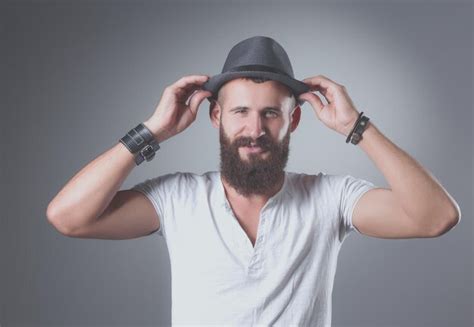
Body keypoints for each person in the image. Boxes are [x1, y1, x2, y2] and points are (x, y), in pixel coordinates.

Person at [46, 36, 461, 326]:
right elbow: (68, 217)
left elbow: (436, 217)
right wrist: (153, 131)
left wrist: (356, 126)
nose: (254, 128)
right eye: (240, 111)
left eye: (271, 113)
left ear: (293, 120)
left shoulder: (331, 197)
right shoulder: (178, 198)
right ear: (216, 117)